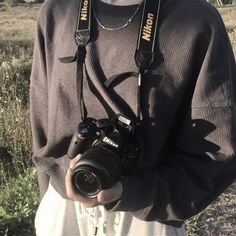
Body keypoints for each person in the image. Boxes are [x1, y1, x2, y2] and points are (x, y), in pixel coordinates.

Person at [30, 0, 236, 235]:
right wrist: (49, 197)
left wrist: (135, 192)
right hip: (63, 205)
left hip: (147, 218)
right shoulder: (56, 11)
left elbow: (217, 151)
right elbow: (42, 126)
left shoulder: (197, 19)